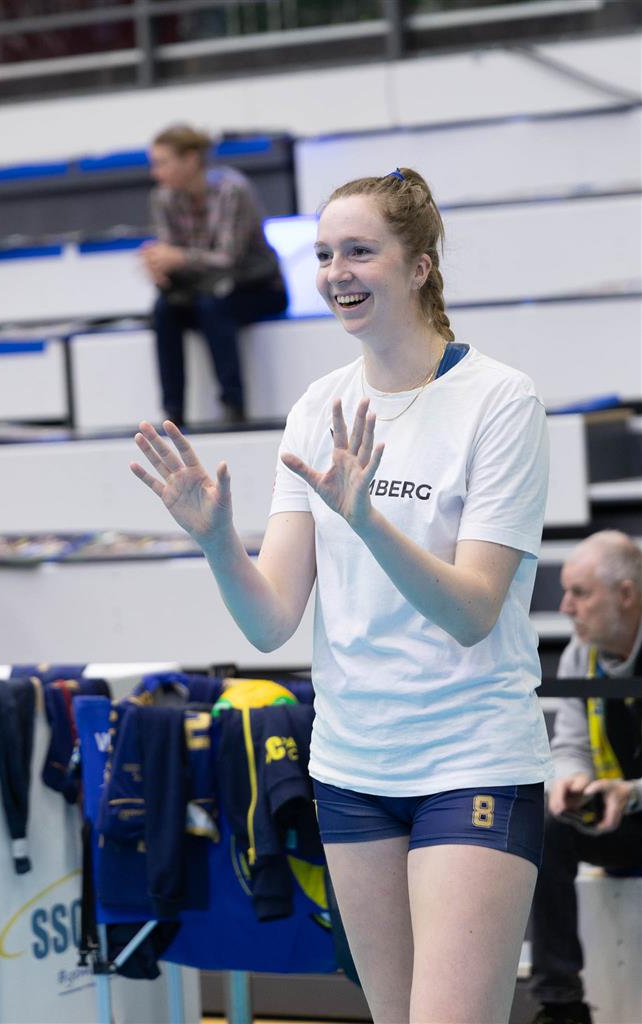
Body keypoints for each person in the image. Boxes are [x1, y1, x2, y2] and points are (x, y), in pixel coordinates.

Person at [131, 166, 553, 1023]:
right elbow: (270, 621)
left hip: (472, 758)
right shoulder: (316, 407)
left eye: (359, 251)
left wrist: (367, 520)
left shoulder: (500, 401)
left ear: (420, 266)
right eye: (324, 254)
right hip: (353, 769)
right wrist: (218, 542)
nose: (336, 273)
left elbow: (474, 612)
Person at [530, 530, 642, 1024]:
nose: (566, 607)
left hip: (631, 803)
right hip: (623, 820)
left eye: (580, 593)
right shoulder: (584, 651)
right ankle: (562, 1004)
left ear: (626, 594)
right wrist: (571, 781)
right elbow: (571, 743)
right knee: (547, 824)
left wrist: (631, 793)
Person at [140, 125, 288, 426]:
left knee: (213, 306)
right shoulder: (162, 197)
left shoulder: (232, 190)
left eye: (162, 163)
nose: (156, 173)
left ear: (191, 159)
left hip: (258, 287)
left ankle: (233, 406)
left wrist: (178, 258)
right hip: (205, 288)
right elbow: (173, 254)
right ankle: (172, 413)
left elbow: (229, 258)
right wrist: (160, 267)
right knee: (163, 309)